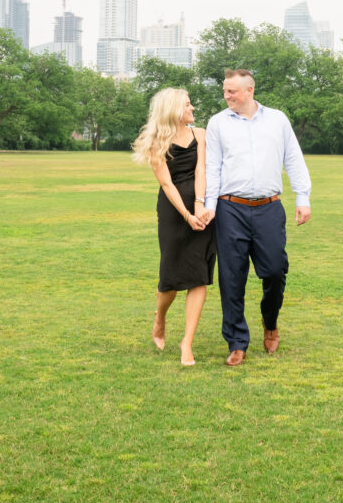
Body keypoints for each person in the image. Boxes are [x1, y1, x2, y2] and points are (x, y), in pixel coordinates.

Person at [201, 69, 311, 366]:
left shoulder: (278, 120)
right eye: (225, 91)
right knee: (231, 277)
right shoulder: (217, 123)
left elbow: (294, 159)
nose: (227, 96)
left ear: (249, 91)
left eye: (232, 92)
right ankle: (237, 342)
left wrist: (303, 197)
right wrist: (210, 205)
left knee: (275, 270)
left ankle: (270, 320)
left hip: (269, 208)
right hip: (230, 209)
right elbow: (213, 167)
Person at [132, 88, 216, 366]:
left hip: (200, 208)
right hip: (172, 211)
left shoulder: (200, 134)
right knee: (170, 276)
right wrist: (186, 214)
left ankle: (187, 343)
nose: (193, 108)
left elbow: (201, 169)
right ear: (173, 110)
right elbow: (167, 184)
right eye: (188, 104)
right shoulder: (157, 142)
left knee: (199, 274)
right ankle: (160, 319)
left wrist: (200, 206)